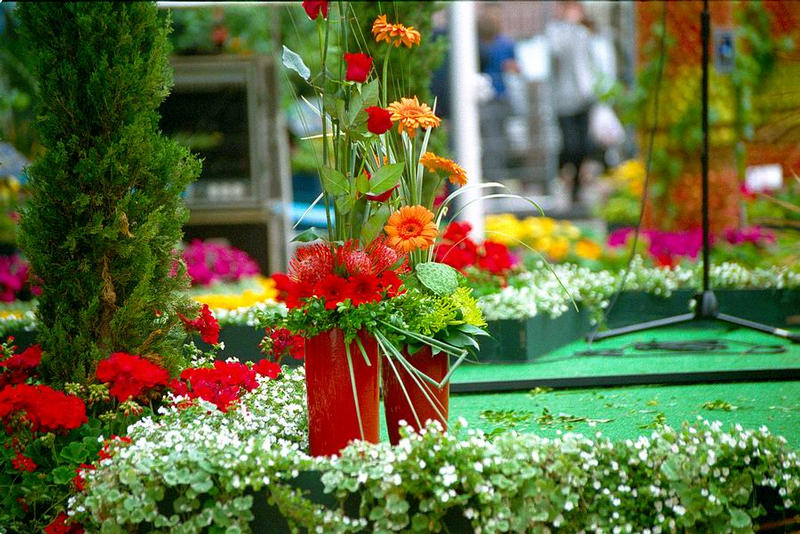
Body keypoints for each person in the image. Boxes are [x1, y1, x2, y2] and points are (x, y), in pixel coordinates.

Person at [545, 1, 598, 204]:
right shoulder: (555, 32)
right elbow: (557, 53)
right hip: (563, 100)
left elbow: (591, 62)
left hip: (584, 98)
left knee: (584, 145)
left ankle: (576, 187)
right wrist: (569, 27)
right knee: (570, 144)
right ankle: (562, 178)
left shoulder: (584, 33)